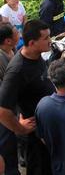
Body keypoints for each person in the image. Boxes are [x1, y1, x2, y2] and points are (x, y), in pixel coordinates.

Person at [0, 20, 55, 175]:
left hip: (47, 126)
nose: (50, 41)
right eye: (46, 38)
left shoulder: (37, 56)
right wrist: (20, 129)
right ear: (32, 43)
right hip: (35, 134)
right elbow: (3, 111)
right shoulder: (17, 71)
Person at [0, 23, 19, 175]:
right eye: (16, 32)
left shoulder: (12, 51)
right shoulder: (1, 58)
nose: (19, 33)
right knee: (7, 146)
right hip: (4, 112)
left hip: (13, 108)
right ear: (8, 40)